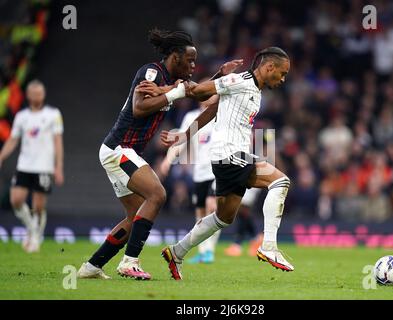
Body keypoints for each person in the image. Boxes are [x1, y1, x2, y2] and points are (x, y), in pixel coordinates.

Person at [77, 29, 242, 280]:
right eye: (190, 59)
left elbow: (199, 93)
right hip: (119, 148)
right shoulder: (151, 72)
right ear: (175, 57)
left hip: (122, 151)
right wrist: (174, 91)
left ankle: (92, 266)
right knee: (157, 194)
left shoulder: (169, 80)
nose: (193, 65)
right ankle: (129, 262)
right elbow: (140, 107)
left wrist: (219, 75)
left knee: (134, 217)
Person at [160, 47, 294, 280]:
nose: (282, 79)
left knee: (224, 217)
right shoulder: (238, 80)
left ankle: (176, 252)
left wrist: (185, 136)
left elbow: (212, 109)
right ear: (269, 66)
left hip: (225, 157)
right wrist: (167, 93)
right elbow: (200, 93)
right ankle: (269, 246)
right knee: (281, 182)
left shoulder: (254, 90)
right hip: (231, 155)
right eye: (282, 73)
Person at [0, 80, 64, 253]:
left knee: (38, 206)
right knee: (16, 200)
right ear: (28, 96)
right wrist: (1, 156)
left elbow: (58, 141)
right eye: (34, 93)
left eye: (40, 93)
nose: (37, 96)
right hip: (24, 165)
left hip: (44, 167)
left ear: (43, 95)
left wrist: (58, 166)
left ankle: (35, 237)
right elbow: (13, 139)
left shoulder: (53, 114)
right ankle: (32, 229)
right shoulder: (22, 117)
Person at [159, 93, 220, 264]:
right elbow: (180, 140)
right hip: (199, 171)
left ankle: (209, 251)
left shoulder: (221, 116)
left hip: (218, 170)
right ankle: (203, 251)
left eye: (213, 93)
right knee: (200, 212)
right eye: (206, 93)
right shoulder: (191, 117)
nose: (209, 96)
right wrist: (167, 160)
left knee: (212, 206)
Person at [224, 188, 263, 257]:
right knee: (240, 210)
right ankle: (256, 239)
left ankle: (238, 244)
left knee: (242, 208)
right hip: (243, 181)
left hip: (251, 182)